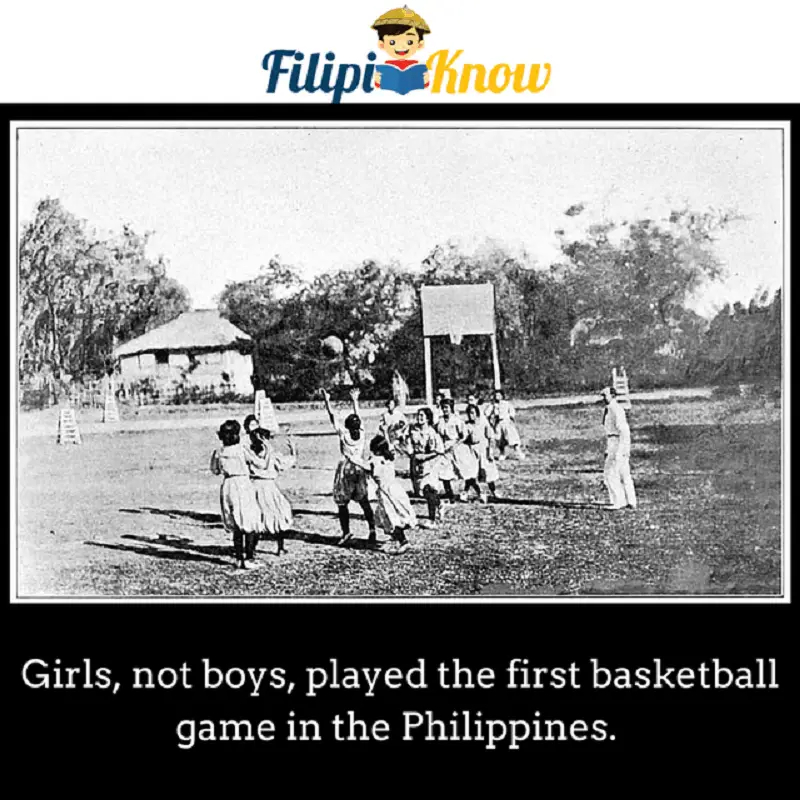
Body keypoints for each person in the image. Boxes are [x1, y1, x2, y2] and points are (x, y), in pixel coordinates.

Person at [321, 388, 379, 548]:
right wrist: (355, 400)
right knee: (364, 502)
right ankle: (372, 529)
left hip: (346, 470)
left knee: (342, 503)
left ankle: (346, 532)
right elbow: (358, 416)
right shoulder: (362, 433)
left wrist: (327, 401)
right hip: (359, 468)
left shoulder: (343, 434)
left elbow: (333, 417)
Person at [210, 420, 264, 571]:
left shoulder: (219, 452)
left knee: (236, 524)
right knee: (251, 521)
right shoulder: (242, 449)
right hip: (242, 484)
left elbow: (214, 470)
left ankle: (239, 559)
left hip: (228, 486)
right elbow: (260, 463)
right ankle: (249, 558)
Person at [351, 435, 416, 554]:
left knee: (390, 517)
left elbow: (363, 465)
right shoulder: (389, 457)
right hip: (396, 489)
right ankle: (396, 538)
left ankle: (403, 541)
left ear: (375, 450)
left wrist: (351, 457)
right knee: (398, 514)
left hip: (385, 492)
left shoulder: (374, 461)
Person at [243, 414, 296, 557]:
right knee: (278, 515)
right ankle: (280, 547)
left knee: (256, 519)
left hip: (253, 487)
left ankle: (251, 550)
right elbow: (289, 462)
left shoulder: (249, 454)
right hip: (268, 488)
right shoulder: (273, 455)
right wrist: (293, 449)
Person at [405, 407, 445, 529]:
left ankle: (432, 520)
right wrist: (412, 454)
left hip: (430, 465)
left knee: (428, 489)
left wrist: (425, 456)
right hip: (416, 464)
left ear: (428, 418)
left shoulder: (432, 432)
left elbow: (439, 450)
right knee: (420, 492)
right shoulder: (413, 430)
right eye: (418, 415)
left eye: (422, 416)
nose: (419, 418)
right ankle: (439, 504)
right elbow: (409, 444)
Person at [600, 386, 637, 510]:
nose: (603, 398)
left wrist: (623, 449)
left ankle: (619, 501)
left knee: (611, 473)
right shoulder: (610, 409)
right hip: (612, 441)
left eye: (605, 395)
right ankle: (630, 501)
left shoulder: (616, 409)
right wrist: (608, 449)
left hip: (618, 442)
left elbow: (624, 431)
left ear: (612, 395)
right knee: (623, 472)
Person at [435, 397, 478, 503]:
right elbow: (436, 432)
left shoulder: (457, 420)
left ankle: (478, 492)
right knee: (444, 473)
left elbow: (464, 435)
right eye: (443, 408)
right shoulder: (440, 421)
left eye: (447, 408)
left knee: (465, 473)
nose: (445, 410)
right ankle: (451, 497)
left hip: (457, 448)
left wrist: (456, 444)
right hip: (444, 449)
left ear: (451, 408)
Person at [463, 404, 499, 502]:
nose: (471, 416)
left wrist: (490, 451)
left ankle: (493, 491)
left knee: (488, 473)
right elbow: (463, 439)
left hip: (483, 450)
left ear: (477, 414)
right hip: (472, 451)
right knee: (471, 473)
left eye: (473, 413)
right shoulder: (466, 425)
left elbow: (491, 437)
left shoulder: (483, 423)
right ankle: (474, 493)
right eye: (469, 413)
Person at [486, 388, 526, 460]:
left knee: (512, 438)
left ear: (502, 396)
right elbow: (487, 413)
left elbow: (511, 411)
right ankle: (502, 453)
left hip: (506, 422)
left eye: (499, 395)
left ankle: (519, 453)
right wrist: (490, 419)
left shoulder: (506, 403)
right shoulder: (493, 405)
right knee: (499, 439)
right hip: (498, 424)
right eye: (496, 395)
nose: (497, 397)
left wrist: (511, 418)